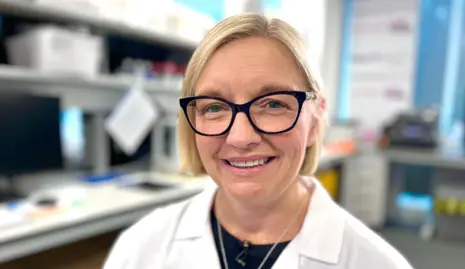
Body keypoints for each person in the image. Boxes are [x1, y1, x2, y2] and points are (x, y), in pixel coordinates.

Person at [103, 13, 413, 269]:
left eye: (273, 104)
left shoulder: (375, 263)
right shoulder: (140, 249)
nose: (240, 138)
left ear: (316, 118)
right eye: (214, 107)